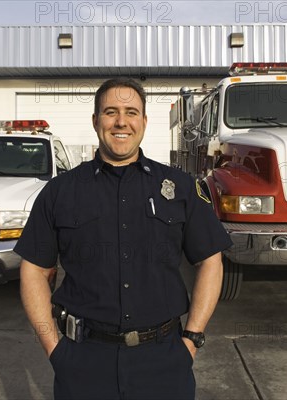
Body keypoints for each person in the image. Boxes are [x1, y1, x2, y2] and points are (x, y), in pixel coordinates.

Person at [15, 77, 232, 399]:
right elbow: (33, 269)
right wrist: (54, 348)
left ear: (144, 121)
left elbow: (210, 261)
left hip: (165, 359)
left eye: (131, 112)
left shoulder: (180, 187)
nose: (121, 122)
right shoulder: (60, 191)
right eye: (110, 112)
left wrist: (192, 339)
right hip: (82, 358)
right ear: (95, 121)